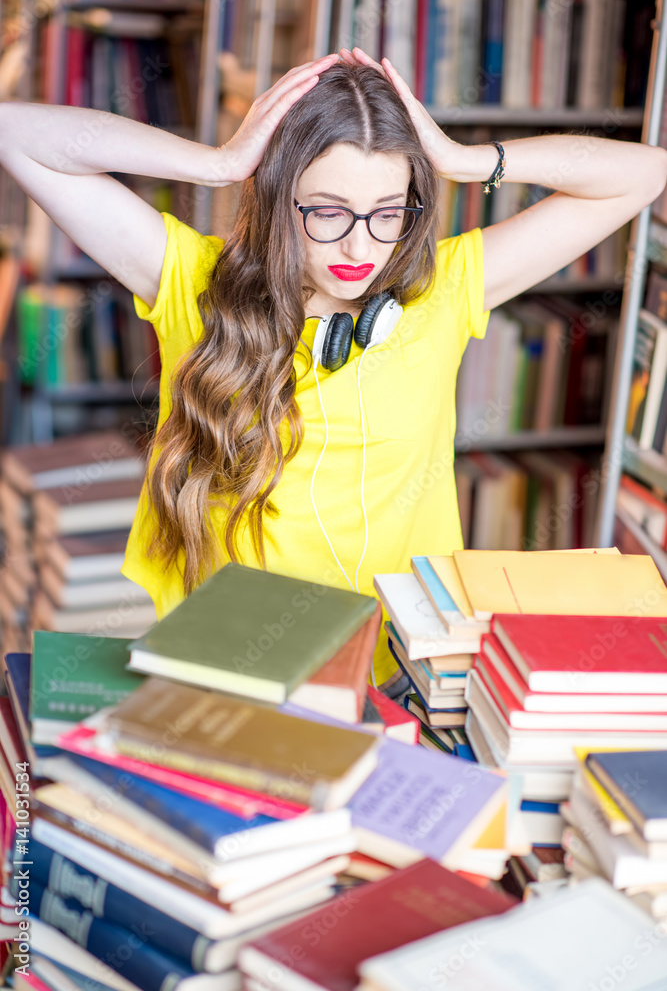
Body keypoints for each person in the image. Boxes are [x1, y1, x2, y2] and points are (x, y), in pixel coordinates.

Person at [1, 48, 665, 691]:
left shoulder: (445, 290)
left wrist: (464, 160)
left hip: (398, 673)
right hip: (224, 664)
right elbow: (16, 132)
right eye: (326, 211)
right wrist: (219, 162)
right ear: (277, 197)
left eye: (386, 214)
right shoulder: (191, 281)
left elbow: (643, 174)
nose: (359, 245)